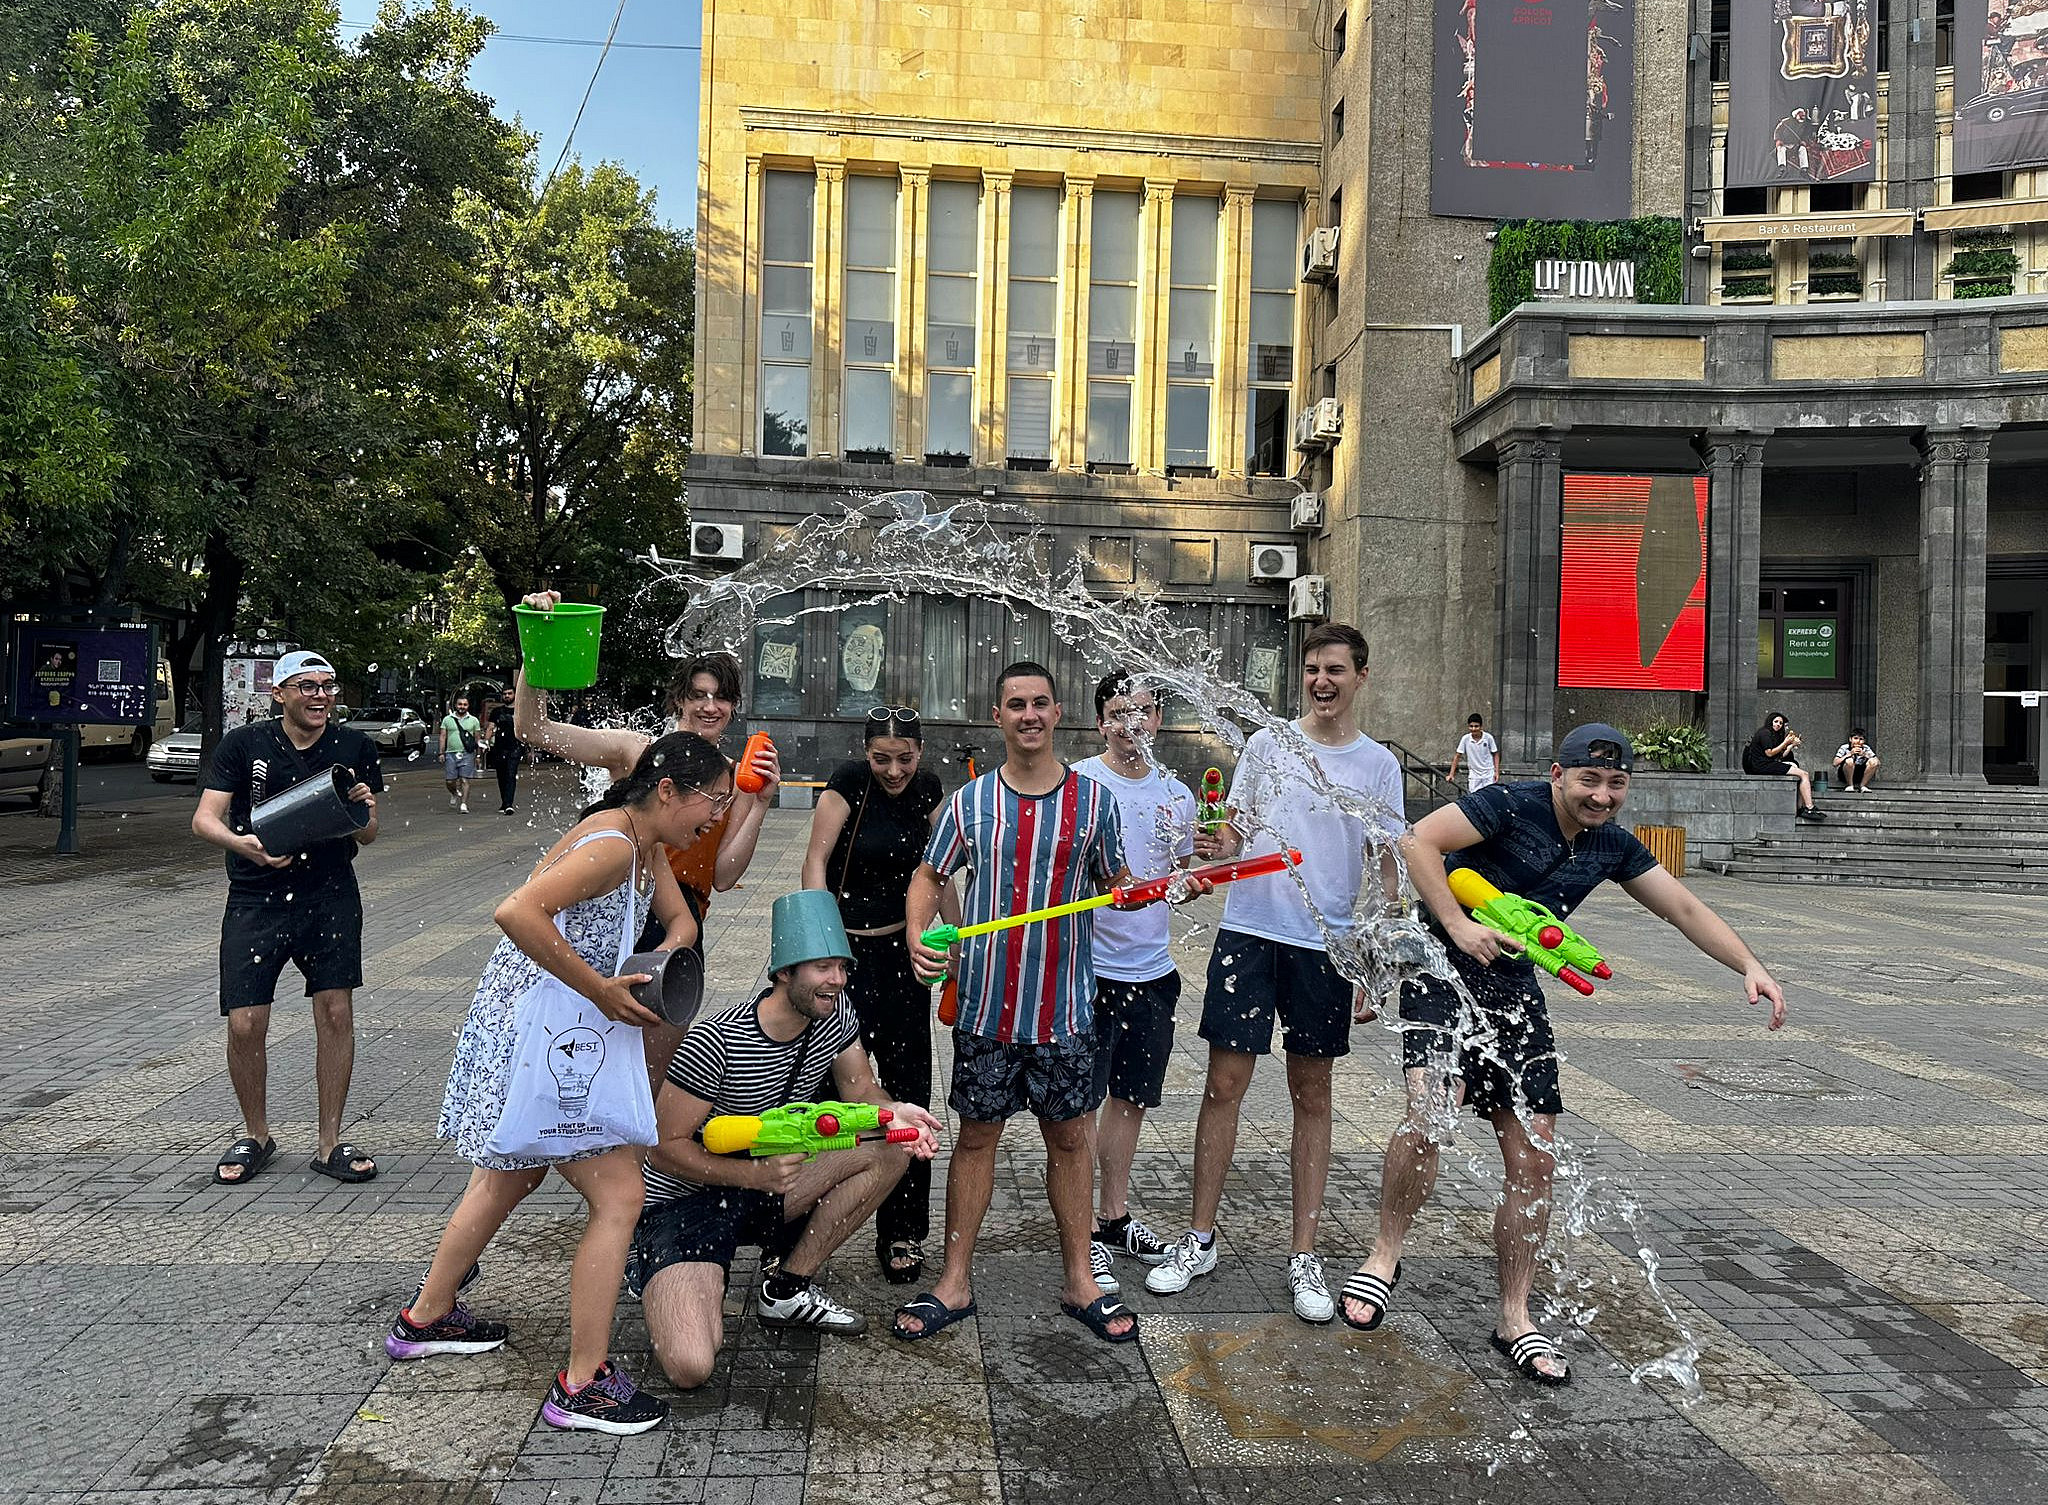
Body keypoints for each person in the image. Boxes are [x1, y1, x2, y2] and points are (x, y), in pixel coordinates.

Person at [1341, 724, 1787, 1386]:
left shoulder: (1610, 844)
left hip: (1514, 990)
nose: (1601, 795)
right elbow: (1417, 841)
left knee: (1534, 1155)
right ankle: (1384, 1255)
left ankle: (1514, 1315)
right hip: (1443, 972)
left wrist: (1749, 963)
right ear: (1558, 774)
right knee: (1430, 1111)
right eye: (1589, 780)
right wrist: (1461, 923)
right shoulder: (1508, 803)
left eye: (1615, 784)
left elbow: (1685, 908)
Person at [388, 732, 732, 1435]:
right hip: (546, 1032)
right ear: (668, 789)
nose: (717, 815)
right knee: (621, 1193)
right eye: (713, 799)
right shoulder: (611, 845)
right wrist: (602, 988)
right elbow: (515, 911)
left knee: (507, 1176)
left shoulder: (645, 844)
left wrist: (662, 962)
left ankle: (424, 1316)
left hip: (548, 1026)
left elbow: (683, 921)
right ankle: (582, 1382)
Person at [1146, 622, 1403, 1325]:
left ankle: (1303, 1253)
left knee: (1311, 1092)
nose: (1323, 681)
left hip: (1325, 945)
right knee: (1224, 1083)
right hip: (1251, 931)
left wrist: (1373, 965)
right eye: (1313, 669)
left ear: (1361, 676)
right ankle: (1198, 1239)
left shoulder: (1379, 765)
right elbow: (1236, 833)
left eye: (1336, 670)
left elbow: (1387, 870)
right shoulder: (1266, 745)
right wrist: (1214, 846)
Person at [898, 662, 1141, 1345]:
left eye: (1039, 702)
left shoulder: (1095, 802)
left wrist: (1159, 885)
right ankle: (954, 1279)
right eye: (1015, 704)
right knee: (975, 1139)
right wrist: (920, 934)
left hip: (1065, 1010)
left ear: (1057, 711)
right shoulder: (970, 803)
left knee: (1070, 1139)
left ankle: (1079, 1279)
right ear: (998, 715)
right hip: (984, 1009)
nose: (1028, 713)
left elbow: (1118, 882)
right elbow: (927, 877)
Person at [635, 890, 942, 1389]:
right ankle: (646, 1262)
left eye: (842, 968)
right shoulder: (715, 1041)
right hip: (687, 1202)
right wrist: (750, 1174)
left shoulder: (835, 1017)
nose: (838, 981)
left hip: (763, 1183)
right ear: (784, 973)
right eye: (823, 968)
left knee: (889, 1145)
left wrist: (895, 1112)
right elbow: (662, 1147)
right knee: (691, 1367)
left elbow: (861, 1092)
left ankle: (787, 1289)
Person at [514, 590, 780, 1080]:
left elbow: (723, 876)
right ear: (678, 697)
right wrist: (538, 643)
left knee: (644, 1080)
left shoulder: (732, 777)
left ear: (734, 706)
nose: (709, 706)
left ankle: (631, 1158)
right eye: (697, 694)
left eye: (720, 696)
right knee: (573, 1066)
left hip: (681, 927)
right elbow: (533, 729)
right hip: (615, 921)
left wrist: (759, 804)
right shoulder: (637, 751)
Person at [192, 649, 383, 1186]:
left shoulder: (354, 746)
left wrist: (363, 809)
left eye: (327, 685)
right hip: (255, 894)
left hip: (330, 893)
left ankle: (329, 1142)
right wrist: (242, 845)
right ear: (279, 693)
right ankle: (256, 1135)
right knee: (246, 1020)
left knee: (335, 1012)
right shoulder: (245, 743)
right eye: (306, 685)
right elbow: (204, 819)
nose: (320, 695)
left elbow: (367, 835)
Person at [800, 706, 955, 1285]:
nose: (893, 770)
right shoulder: (846, 782)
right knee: (822, 1090)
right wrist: (820, 945)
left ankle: (902, 1232)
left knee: (909, 1088)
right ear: (865, 753)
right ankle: (802, 1229)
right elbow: (816, 859)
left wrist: (957, 943)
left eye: (905, 759)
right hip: (847, 959)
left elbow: (940, 872)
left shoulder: (930, 790)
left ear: (921, 752)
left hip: (904, 958)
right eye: (882, 759)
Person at [1073, 672, 1197, 1295]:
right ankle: (1080, 1237)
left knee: (1130, 1100)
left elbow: (1176, 872)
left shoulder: (1178, 795)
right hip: (1086, 971)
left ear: (1158, 720)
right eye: (1119, 713)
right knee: (1079, 1106)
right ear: (1101, 722)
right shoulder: (1079, 784)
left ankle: (1113, 1217)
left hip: (1152, 972)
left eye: (1143, 712)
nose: (1131, 725)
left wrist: (1188, 880)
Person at [1742, 711, 1825, 821]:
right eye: (1776, 721)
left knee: (1798, 771)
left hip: (1766, 764)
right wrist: (1785, 742)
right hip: (1761, 766)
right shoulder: (1765, 733)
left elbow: (1780, 756)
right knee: (1804, 774)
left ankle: (1800, 808)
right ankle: (1809, 807)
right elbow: (1769, 753)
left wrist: (1790, 745)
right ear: (1770, 721)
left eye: (1780, 723)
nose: (1778, 725)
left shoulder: (1772, 735)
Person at [440, 694, 483, 814]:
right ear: (455, 705)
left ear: (468, 706)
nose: (462, 707)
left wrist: (478, 755)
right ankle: (454, 793)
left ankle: (464, 804)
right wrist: (441, 753)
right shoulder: (447, 719)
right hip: (450, 754)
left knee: (465, 780)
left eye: (465, 704)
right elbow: (443, 736)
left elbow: (477, 739)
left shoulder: (474, 720)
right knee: (450, 781)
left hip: (467, 753)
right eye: (460, 704)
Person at [487, 689, 522, 814]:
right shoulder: (497, 712)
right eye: (505, 694)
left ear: (514, 695)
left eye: (509, 693)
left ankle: (508, 804)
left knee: (511, 775)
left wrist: (530, 749)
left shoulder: (520, 711)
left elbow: (526, 730)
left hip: (515, 748)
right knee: (501, 776)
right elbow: (490, 727)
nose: (507, 696)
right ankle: (504, 802)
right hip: (499, 748)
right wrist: (486, 742)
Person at [1449, 713, 1500, 793]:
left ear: (1481, 726)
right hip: (1474, 776)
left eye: (1476, 726)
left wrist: (1496, 772)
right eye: (1471, 726)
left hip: (1488, 774)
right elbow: (1457, 756)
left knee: (1489, 798)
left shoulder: (1488, 737)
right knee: (1475, 799)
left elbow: (1495, 754)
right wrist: (1451, 774)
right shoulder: (1465, 739)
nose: (1473, 729)